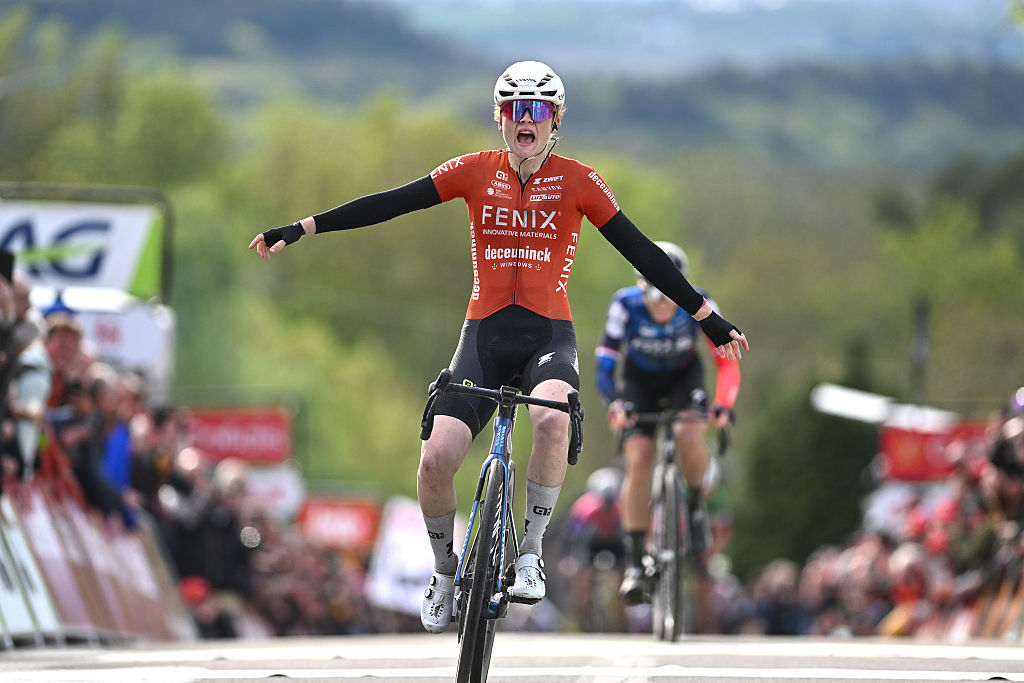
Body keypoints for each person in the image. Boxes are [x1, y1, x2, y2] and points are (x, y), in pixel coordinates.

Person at [249, 60, 748, 633]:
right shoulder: (473, 171)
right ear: (500, 119)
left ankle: (530, 551)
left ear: (554, 120)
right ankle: (444, 570)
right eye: (514, 110)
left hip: (547, 337)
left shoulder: (579, 181)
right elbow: (389, 202)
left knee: (552, 420)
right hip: (482, 336)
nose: (524, 120)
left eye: (536, 110)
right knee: (435, 459)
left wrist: (706, 318)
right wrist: (302, 227)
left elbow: (642, 253)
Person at [594, 241, 740, 604]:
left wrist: (723, 405)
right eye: (656, 299)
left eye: (669, 299)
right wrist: (614, 403)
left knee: (689, 433)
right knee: (639, 459)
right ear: (642, 288)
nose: (663, 307)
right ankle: (634, 564)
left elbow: (726, 363)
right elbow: (606, 364)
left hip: (683, 379)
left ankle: (693, 504)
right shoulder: (624, 304)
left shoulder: (699, 301)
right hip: (638, 382)